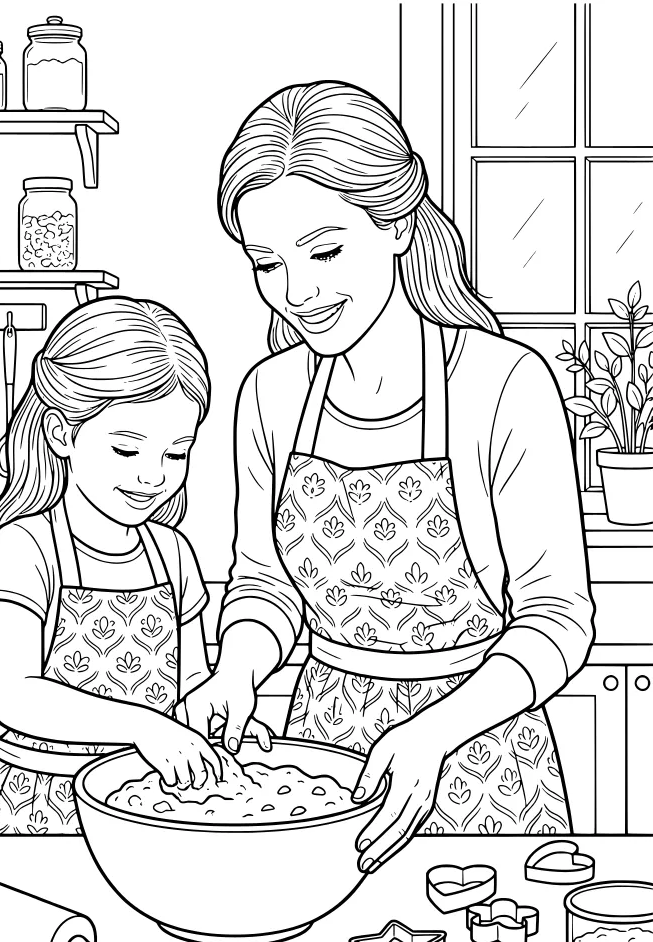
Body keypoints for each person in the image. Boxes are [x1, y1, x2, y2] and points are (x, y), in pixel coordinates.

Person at [185, 81, 595, 871]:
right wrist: (236, 669)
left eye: (324, 251)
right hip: (322, 755)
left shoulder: (503, 384)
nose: (298, 293)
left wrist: (434, 732)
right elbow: (264, 584)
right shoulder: (271, 396)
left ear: (398, 224)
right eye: (267, 264)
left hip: (482, 753)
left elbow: (558, 618)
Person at [0, 297, 253, 834]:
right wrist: (143, 728)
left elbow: (187, 687)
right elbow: (16, 695)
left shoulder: (173, 554)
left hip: (142, 807)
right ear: (62, 433)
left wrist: (213, 725)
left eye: (176, 453)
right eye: (127, 451)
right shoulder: (25, 549)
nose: (153, 477)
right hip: (38, 809)